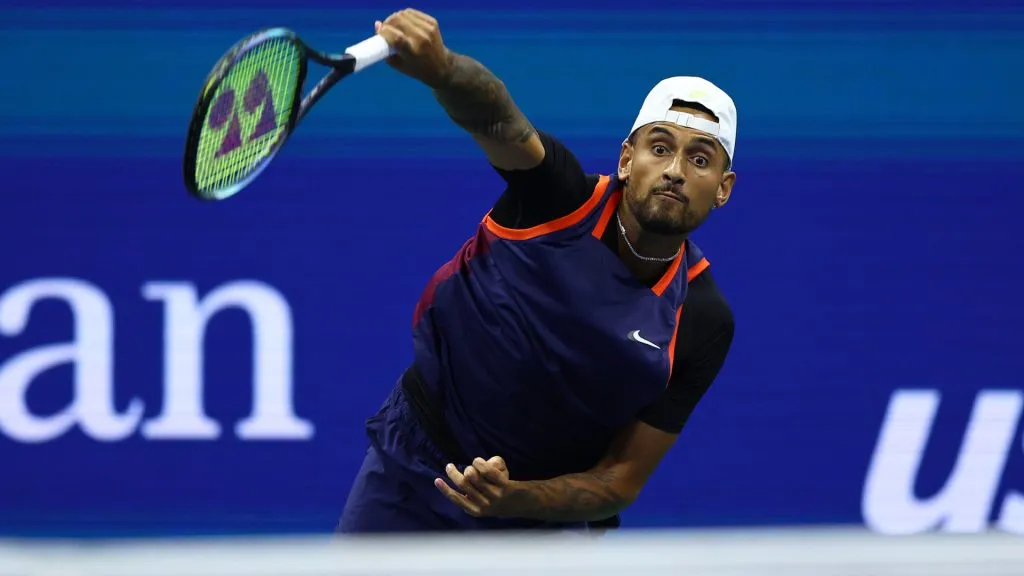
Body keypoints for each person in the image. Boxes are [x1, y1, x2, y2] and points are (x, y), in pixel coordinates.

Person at [336, 7, 737, 533]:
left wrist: (512, 498)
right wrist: (442, 69)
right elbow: (498, 116)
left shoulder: (702, 318)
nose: (675, 171)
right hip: (416, 467)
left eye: (700, 160)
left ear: (724, 188)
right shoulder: (558, 197)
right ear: (625, 160)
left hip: (541, 518)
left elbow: (619, 481)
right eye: (659, 148)